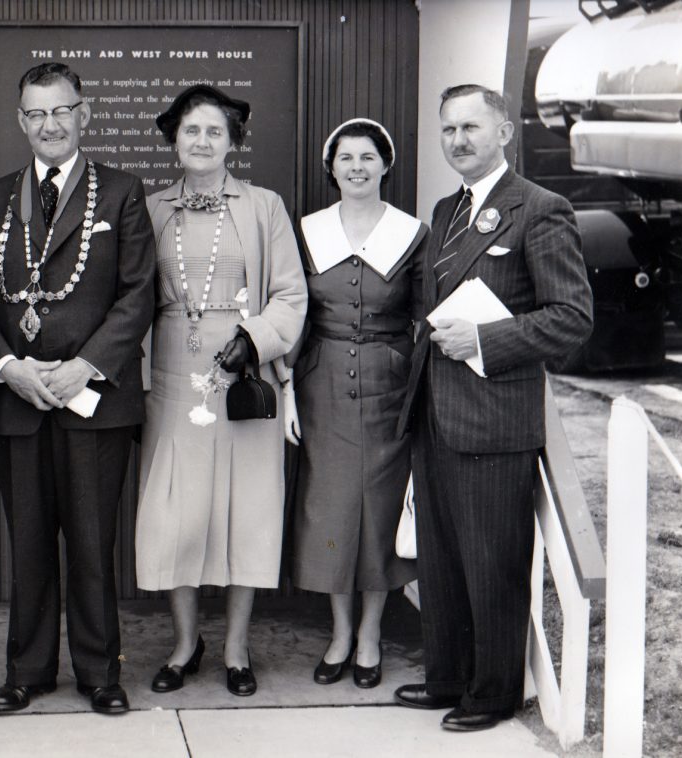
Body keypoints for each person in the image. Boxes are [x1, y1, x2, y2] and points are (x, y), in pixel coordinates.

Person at [0, 62, 155, 716]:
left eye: (61, 111)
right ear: (21, 121)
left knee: (93, 543)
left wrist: (85, 365)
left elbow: (137, 296)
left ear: (83, 114)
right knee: (30, 541)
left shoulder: (122, 193)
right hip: (16, 399)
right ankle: (28, 671)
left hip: (93, 401)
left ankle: (100, 673)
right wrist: (10, 367)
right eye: (36, 114)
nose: (49, 124)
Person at [394, 84, 593, 731]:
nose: (458, 140)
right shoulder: (448, 208)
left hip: (495, 418)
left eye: (471, 128)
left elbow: (571, 319)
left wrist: (485, 339)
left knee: (491, 562)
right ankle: (448, 676)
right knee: (444, 559)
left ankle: (493, 691)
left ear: (504, 131)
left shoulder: (540, 209)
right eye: (448, 129)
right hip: (436, 412)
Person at [134, 85, 307, 697]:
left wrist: (255, 339)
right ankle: (185, 644)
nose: (201, 141)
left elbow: (291, 294)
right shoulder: (149, 209)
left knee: (247, 514)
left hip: (244, 383)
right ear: (173, 140)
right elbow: (129, 298)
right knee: (177, 516)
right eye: (190, 130)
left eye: (214, 131)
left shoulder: (265, 208)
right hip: (171, 386)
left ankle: (236, 648)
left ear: (233, 141)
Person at [284, 119, 424, 689]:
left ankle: (370, 635)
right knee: (332, 510)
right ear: (332, 167)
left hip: (390, 390)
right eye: (346, 158)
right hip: (322, 388)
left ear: (386, 165)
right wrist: (287, 389)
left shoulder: (412, 233)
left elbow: (425, 315)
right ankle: (340, 632)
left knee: (381, 512)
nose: (358, 167)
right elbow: (292, 312)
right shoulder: (307, 231)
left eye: (368, 157)